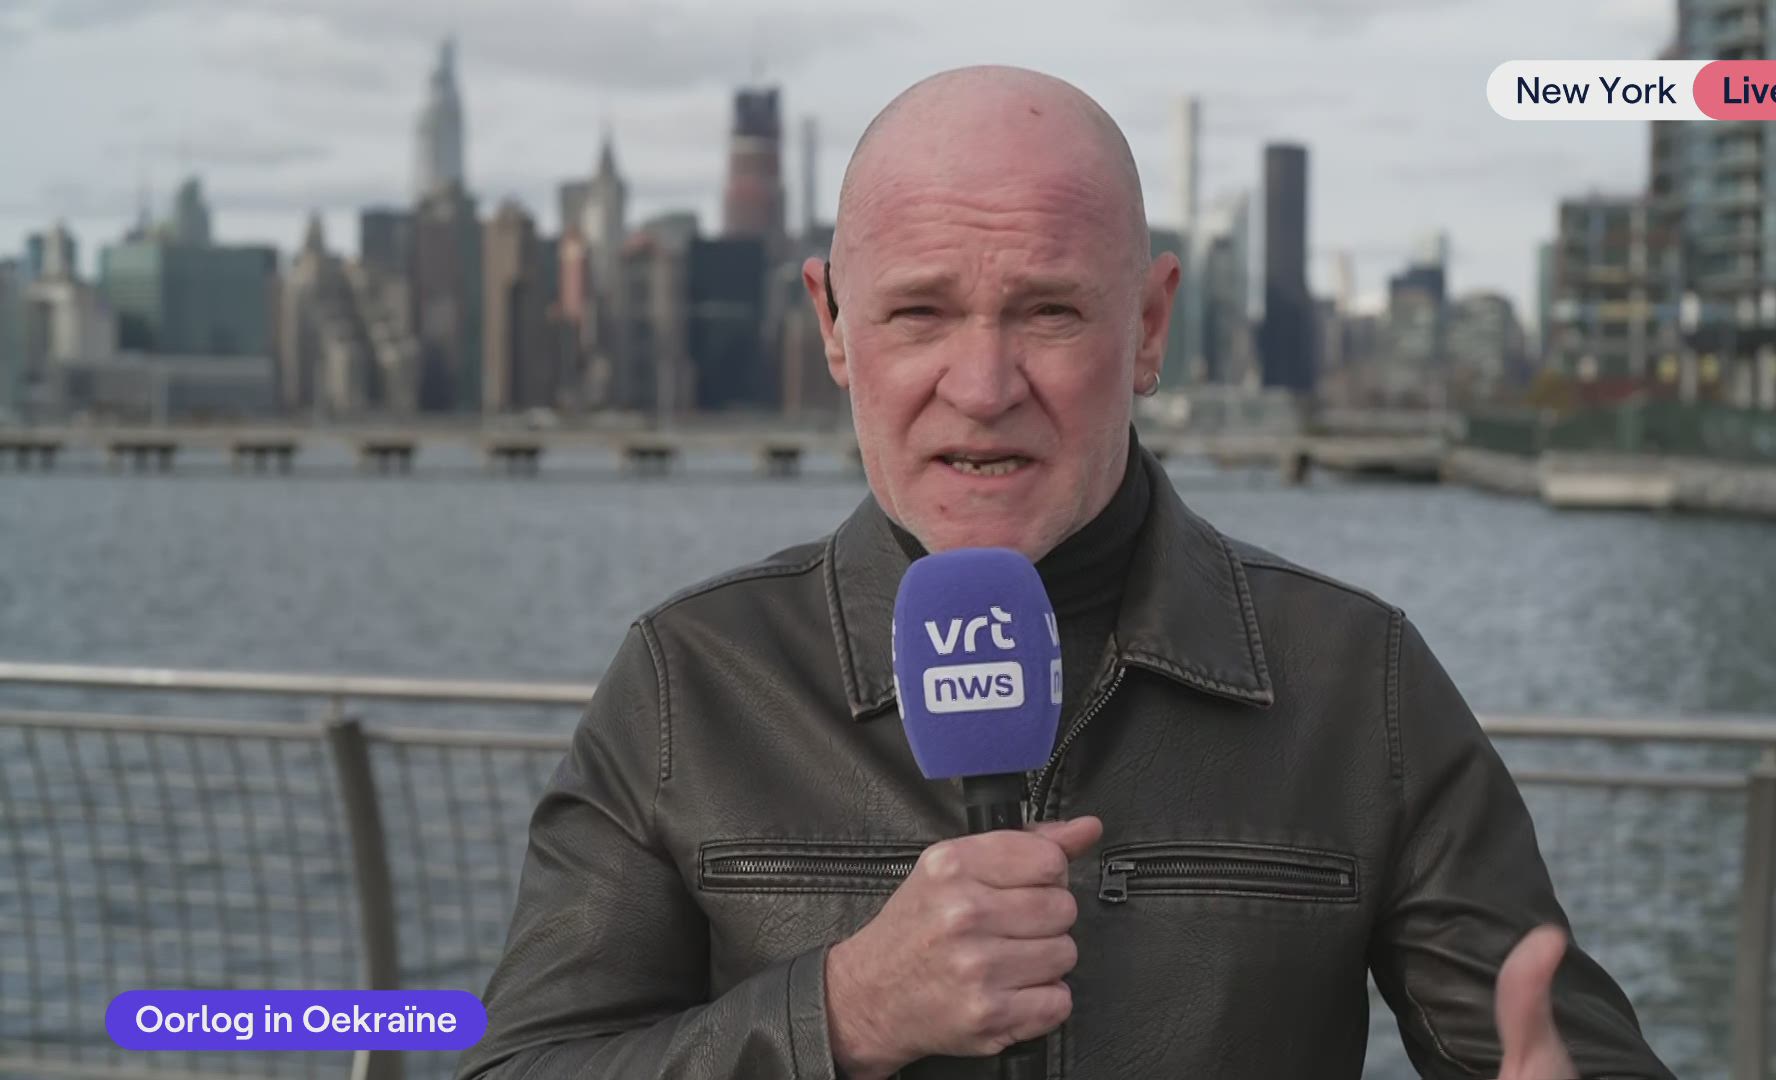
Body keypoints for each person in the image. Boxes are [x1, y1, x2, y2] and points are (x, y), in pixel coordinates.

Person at [456, 66, 1673, 1079]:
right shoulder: (690, 680)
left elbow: (1565, 1051)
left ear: (1149, 328)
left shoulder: (1356, 680)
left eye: (1048, 313)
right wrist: (841, 1014)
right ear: (832, 326)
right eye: (919, 314)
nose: (983, 387)